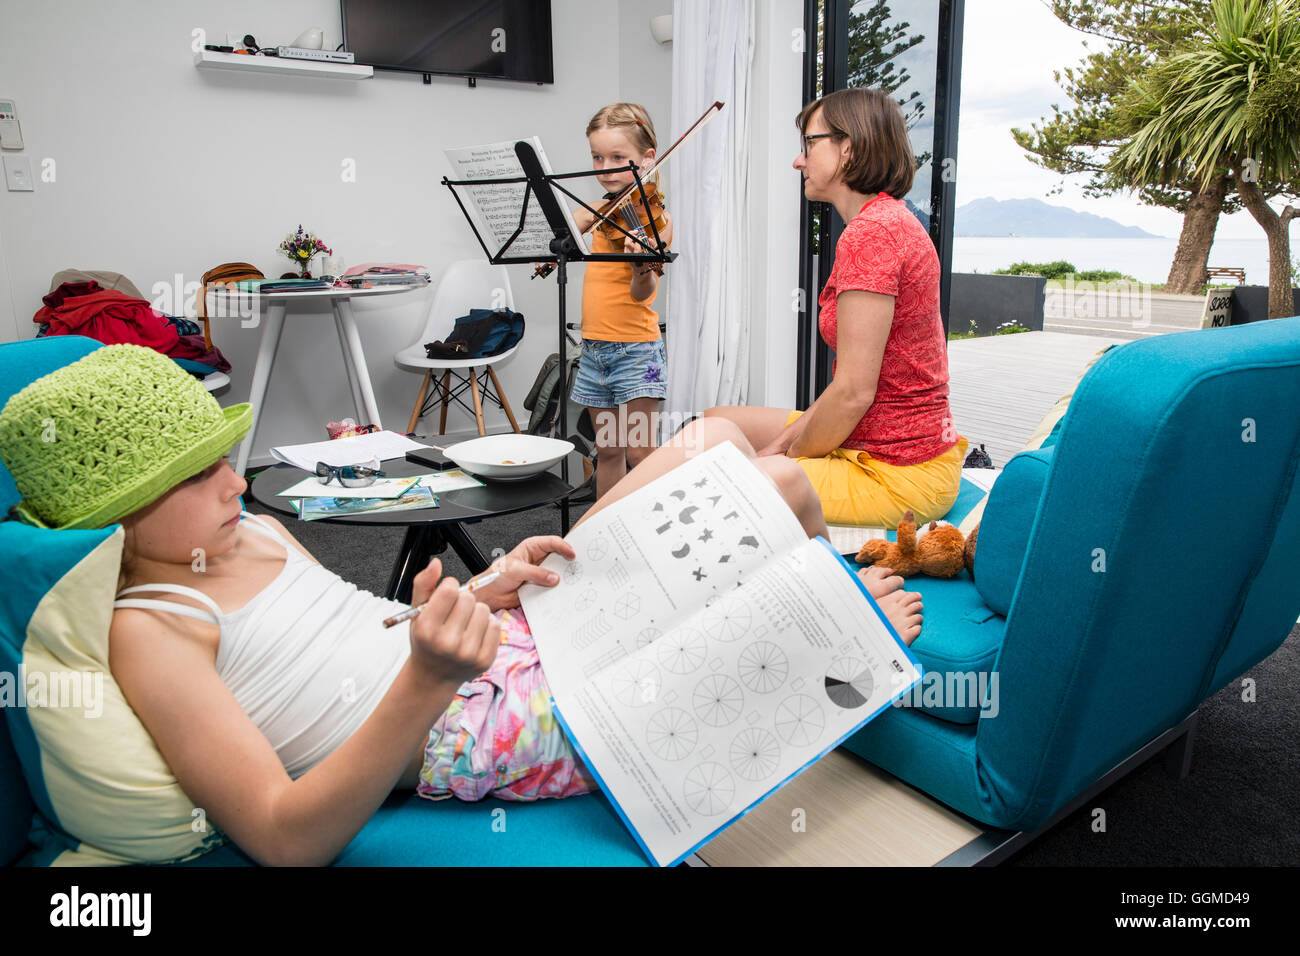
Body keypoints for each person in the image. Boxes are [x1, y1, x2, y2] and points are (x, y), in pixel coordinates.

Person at [0, 345, 923, 867]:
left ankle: (819, 600)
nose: (235, 478)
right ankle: (833, 623)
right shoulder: (152, 628)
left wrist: (488, 586)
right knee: (805, 595)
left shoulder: (252, 534)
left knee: (740, 462)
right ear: (114, 519)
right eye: (197, 476)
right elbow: (285, 839)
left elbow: (373, 627)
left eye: (221, 455)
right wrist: (429, 677)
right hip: (459, 719)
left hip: (492, 640)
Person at [704, 88, 968, 529]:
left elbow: (852, 394)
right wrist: (782, 447)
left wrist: (783, 457)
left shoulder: (875, 232)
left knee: (723, 483)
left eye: (809, 144)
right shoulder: (881, 221)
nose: (798, 160)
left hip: (899, 471)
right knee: (717, 424)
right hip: (874, 437)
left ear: (848, 148)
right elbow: (851, 391)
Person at [570, 102, 673, 501]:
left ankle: (653, 528)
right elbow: (562, 225)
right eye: (597, 157)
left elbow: (642, 294)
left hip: (636, 351)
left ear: (647, 159)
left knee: (640, 451)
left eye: (618, 158)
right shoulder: (598, 211)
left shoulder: (656, 223)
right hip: (595, 349)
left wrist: (640, 266)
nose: (606, 168)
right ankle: (605, 531)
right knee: (609, 450)